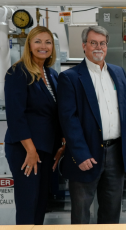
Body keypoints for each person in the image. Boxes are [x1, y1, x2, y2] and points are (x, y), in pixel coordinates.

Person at [57, 26, 126, 224]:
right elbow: (69, 120)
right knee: (81, 213)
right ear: (84, 46)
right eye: (93, 43)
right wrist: (81, 154)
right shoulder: (70, 78)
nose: (98, 47)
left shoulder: (118, 73)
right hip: (87, 155)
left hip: (116, 154)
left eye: (102, 43)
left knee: (111, 212)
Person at [4, 26, 65, 225]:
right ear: (29, 45)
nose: (43, 46)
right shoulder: (18, 72)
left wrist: (61, 143)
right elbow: (16, 116)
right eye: (38, 41)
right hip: (26, 150)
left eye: (48, 42)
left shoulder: (52, 75)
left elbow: (55, 114)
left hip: (46, 149)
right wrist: (30, 150)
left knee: (41, 203)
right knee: (27, 203)